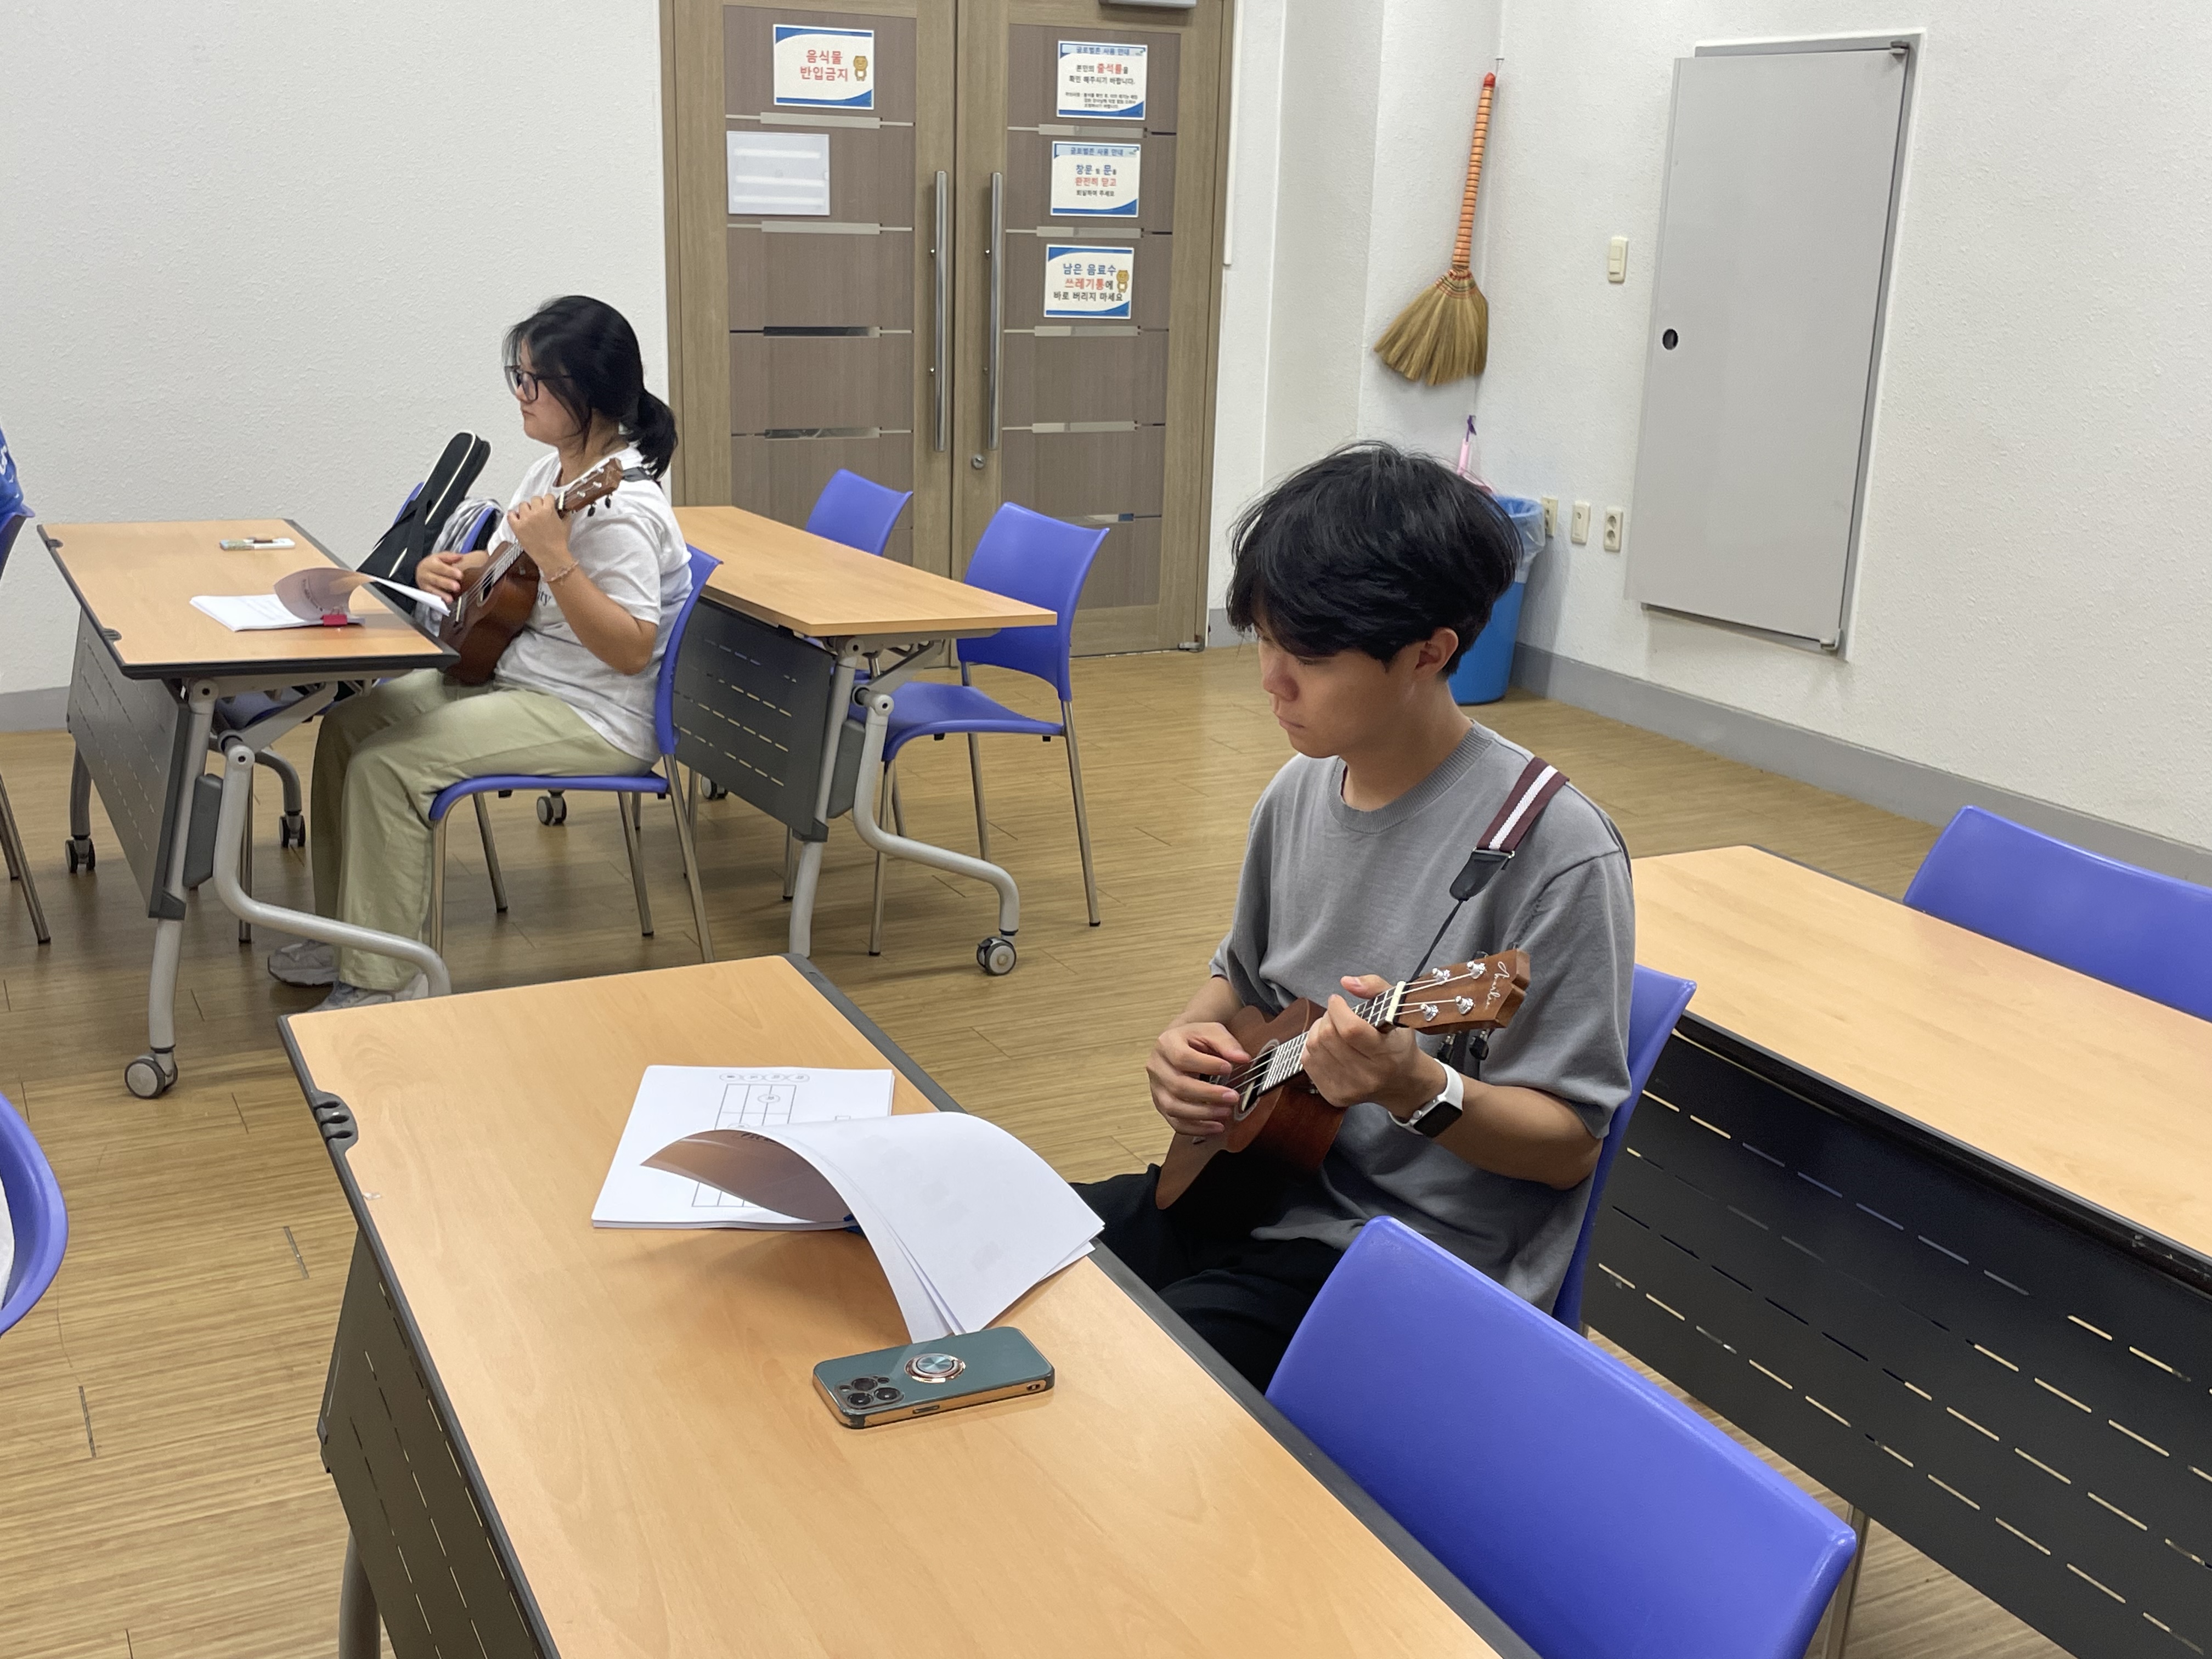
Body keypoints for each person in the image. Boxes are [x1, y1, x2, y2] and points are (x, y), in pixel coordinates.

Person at [1075, 443, 1634, 1389]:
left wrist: (1417, 1088)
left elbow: (1570, 1149)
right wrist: (1182, 1048)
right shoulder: (1298, 791)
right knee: (1013, 1249)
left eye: (1310, 656)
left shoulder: (1555, 850)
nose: (1271, 680)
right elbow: (1241, 983)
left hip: (1401, 1256)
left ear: (1429, 652)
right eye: (1265, 640)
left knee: (1127, 1380)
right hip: (1250, 1187)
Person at [267, 295, 689, 1008]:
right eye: (516, 376)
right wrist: (455, 569)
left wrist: (557, 558)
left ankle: (384, 979)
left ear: (586, 392)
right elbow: (506, 571)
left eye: (533, 381)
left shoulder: (622, 508)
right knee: (346, 728)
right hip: (516, 674)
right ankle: (348, 932)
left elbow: (630, 649)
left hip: (594, 712)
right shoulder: (550, 472)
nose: (519, 394)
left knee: (389, 767)